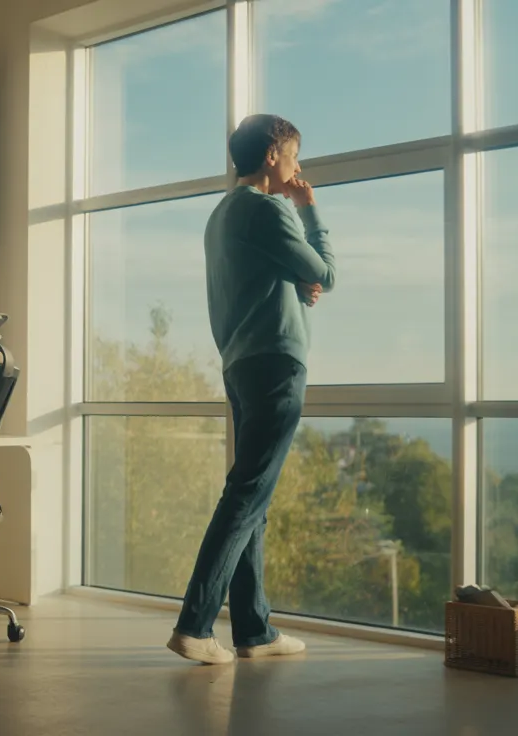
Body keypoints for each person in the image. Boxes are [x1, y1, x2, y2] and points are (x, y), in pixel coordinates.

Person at [167, 114, 336, 665]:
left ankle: (253, 630)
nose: (298, 168)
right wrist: (309, 210)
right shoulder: (267, 210)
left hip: (240, 364)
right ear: (272, 157)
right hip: (275, 364)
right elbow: (326, 272)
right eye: (293, 155)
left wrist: (296, 276)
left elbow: (279, 274)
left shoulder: (224, 214)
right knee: (246, 495)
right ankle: (194, 626)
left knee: (252, 499)